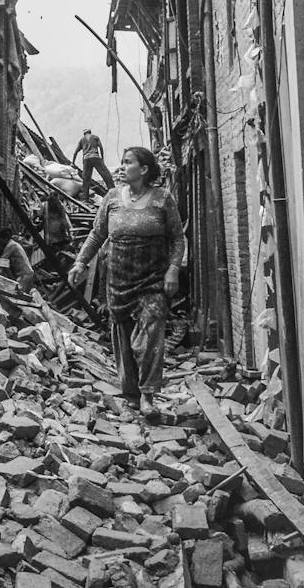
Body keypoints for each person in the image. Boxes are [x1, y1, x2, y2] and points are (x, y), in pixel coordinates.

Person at [67, 146, 186, 419]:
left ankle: (148, 395)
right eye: (120, 162)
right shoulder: (111, 198)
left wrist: (173, 270)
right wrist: (80, 262)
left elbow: (178, 239)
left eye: (127, 162)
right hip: (118, 281)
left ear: (143, 169)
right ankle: (132, 393)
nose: (121, 167)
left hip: (152, 281)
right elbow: (96, 235)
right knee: (123, 338)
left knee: (149, 335)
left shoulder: (162, 199)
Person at [0, 227, 36, 293]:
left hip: (24, 275)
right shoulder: (13, 244)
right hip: (27, 274)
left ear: (5, 238)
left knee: (19, 295)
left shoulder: (10, 246)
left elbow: (1, 262)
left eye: (0, 241)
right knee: (23, 294)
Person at [75, 129, 110, 196]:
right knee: (105, 174)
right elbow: (101, 147)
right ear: (90, 132)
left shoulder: (82, 140)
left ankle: (85, 197)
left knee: (86, 179)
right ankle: (112, 190)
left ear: (84, 134)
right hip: (95, 157)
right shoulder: (95, 137)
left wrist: (73, 162)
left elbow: (76, 152)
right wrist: (102, 158)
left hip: (86, 159)